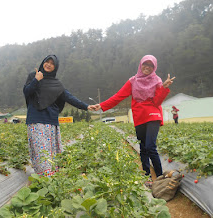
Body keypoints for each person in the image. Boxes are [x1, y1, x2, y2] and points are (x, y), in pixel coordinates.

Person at [94, 55, 175, 186]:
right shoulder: (133, 81)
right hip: (139, 116)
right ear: (140, 65)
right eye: (145, 64)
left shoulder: (157, 81)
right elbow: (118, 96)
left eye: (150, 65)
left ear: (154, 67)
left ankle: (160, 178)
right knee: (143, 147)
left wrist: (164, 88)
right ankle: (147, 178)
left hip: (153, 114)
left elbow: (158, 101)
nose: (147, 67)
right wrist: (103, 106)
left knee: (150, 146)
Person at [23, 54, 95, 177]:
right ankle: (45, 178)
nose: (49, 65)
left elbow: (69, 97)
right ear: (43, 62)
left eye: (52, 64)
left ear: (55, 68)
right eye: (47, 62)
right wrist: (36, 80)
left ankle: (52, 179)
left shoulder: (57, 84)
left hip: (51, 121)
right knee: (41, 151)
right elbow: (27, 92)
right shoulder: (33, 76)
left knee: (51, 152)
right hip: (36, 120)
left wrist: (86, 106)